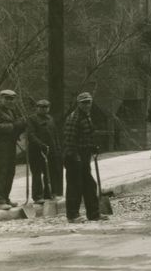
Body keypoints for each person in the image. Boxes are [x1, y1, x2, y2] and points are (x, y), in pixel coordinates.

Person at [62, 92, 104, 223]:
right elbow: (69, 140)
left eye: (89, 102)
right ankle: (72, 215)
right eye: (84, 103)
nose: (87, 105)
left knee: (89, 185)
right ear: (78, 104)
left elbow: (86, 135)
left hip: (84, 155)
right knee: (75, 186)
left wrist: (93, 147)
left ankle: (94, 214)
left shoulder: (86, 116)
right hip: (74, 156)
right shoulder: (74, 118)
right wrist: (75, 156)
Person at [0, 89, 26, 210]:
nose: (9, 101)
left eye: (11, 99)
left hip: (10, 144)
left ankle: (5, 198)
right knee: (0, 172)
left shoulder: (12, 109)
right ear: (1, 98)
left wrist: (20, 125)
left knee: (10, 172)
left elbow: (21, 121)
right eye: (7, 98)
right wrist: (13, 126)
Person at [26, 98, 60, 204]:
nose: (44, 109)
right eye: (41, 107)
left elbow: (55, 134)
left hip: (50, 150)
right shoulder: (32, 119)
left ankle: (49, 193)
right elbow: (31, 135)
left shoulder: (50, 119)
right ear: (37, 108)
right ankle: (37, 196)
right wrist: (41, 145)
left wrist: (57, 147)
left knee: (50, 172)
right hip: (36, 151)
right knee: (37, 173)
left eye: (46, 107)